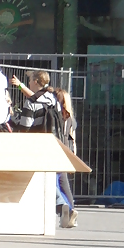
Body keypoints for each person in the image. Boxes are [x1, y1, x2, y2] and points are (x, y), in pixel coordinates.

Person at [53, 87, 78, 229]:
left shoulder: (56, 115)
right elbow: (72, 137)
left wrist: (21, 86)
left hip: (56, 149)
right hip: (66, 151)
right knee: (64, 182)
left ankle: (63, 207)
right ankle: (71, 209)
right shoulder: (70, 119)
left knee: (53, 181)